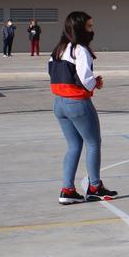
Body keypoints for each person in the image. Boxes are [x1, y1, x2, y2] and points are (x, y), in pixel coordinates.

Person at [48, 11, 115, 204]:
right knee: (93, 143)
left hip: (59, 103)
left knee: (73, 145)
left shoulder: (58, 50)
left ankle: (67, 189)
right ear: (79, 28)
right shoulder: (80, 50)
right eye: (89, 26)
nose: (92, 30)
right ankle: (94, 187)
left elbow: (54, 74)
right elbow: (85, 79)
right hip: (77, 102)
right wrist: (96, 83)